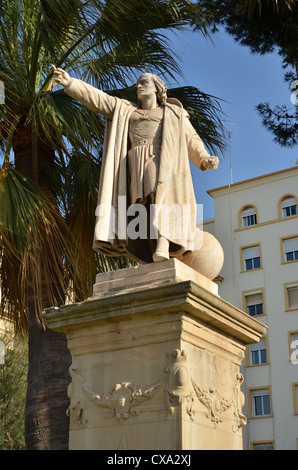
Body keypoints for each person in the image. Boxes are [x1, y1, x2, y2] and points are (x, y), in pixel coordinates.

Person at [52, 67, 219, 264]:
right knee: (141, 208)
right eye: (138, 83)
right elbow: (97, 99)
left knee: (159, 194)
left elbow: (191, 138)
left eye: (144, 83)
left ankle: (164, 241)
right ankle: (147, 249)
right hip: (133, 163)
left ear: (157, 89)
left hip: (160, 160)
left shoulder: (173, 112)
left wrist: (203, 158)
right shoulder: (125, 110)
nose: (139, 86)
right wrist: (70, 83)